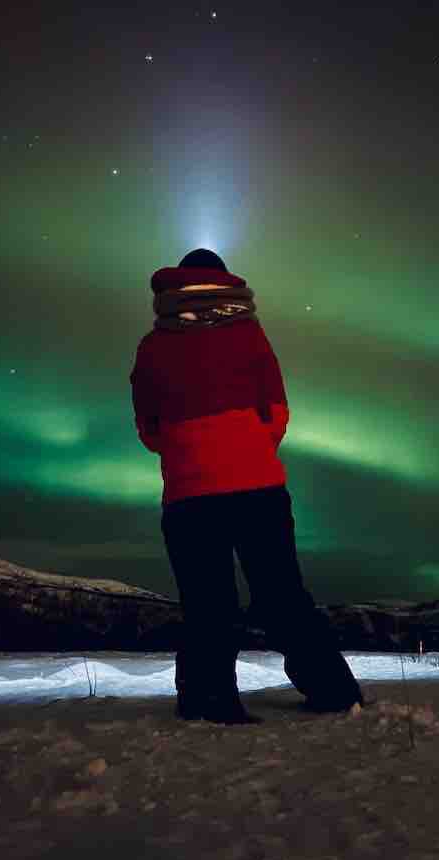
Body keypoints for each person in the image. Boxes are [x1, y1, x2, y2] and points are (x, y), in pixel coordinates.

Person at [130, 248, 365, 724]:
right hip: (258, 486)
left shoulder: (152, 347)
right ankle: (334, 692)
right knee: (282, 594)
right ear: (225, 282)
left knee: (206, 602)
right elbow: (276, 411)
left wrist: (187, 451)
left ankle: (208, 700)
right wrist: (250, 447)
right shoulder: (250, 334)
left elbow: (149, 429)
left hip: (189, 494)